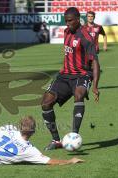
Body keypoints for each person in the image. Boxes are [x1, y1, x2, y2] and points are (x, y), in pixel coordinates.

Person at [41, 7, 100, 150]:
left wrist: (95, 86)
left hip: (81, 75)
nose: (67, 24)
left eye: (70, 21)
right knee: (45, 103)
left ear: (78, 19)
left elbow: (95, 63)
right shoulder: (67, 32)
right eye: (66, 21)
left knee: (79, 94)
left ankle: (74, 136)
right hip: (64, 75)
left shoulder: (86, 37)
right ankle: (56, 141)